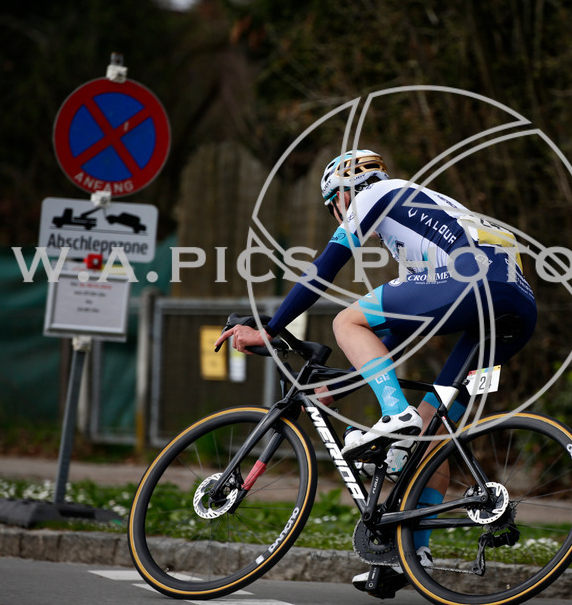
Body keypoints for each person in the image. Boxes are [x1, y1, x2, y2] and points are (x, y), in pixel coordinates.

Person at [215, 149, 537, 595]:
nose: (338, 215)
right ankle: (410, 557)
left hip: (470, 280)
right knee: (431, 437)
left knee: (346, 320)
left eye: (333, 208)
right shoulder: (431, 211)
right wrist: (343, 386)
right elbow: (400, 333)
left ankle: (394, 413)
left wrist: (269, 328)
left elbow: (322, 271)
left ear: (341, 195)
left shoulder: (374, 194)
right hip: (517, 305)